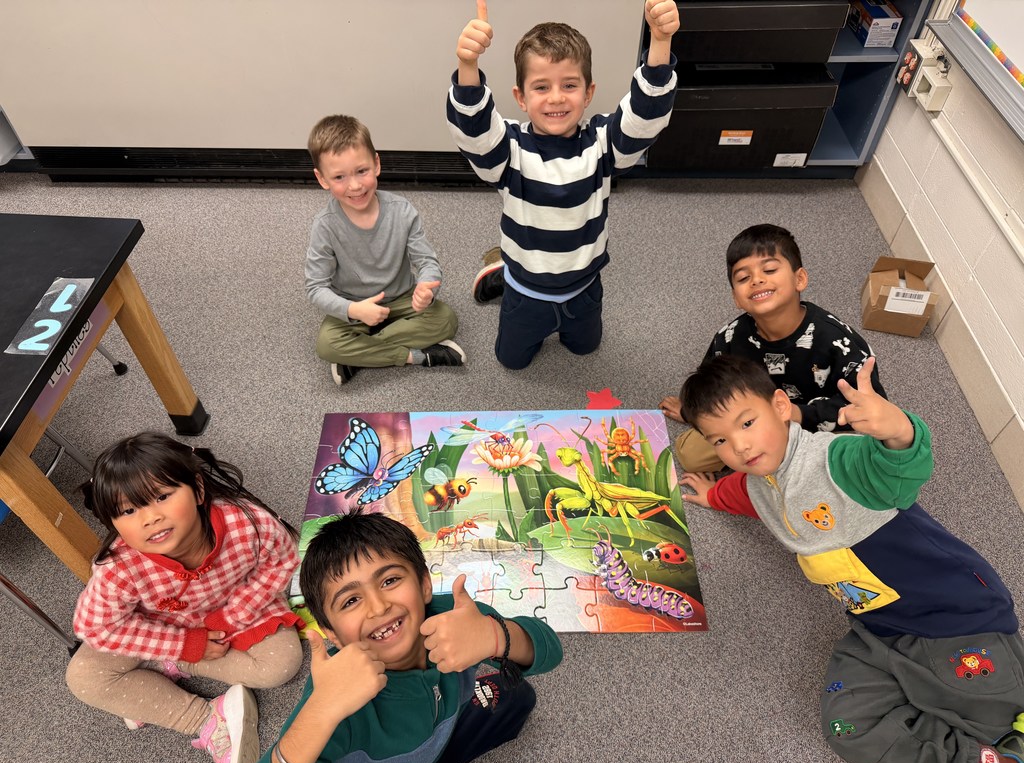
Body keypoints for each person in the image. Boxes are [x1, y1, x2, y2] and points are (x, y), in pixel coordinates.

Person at [678, 354, 1024, 763]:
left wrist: (898, 430)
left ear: (780, 407)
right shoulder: (758, 483)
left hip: (955, 617)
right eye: (719, 440)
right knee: (846, 726)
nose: (739, 446)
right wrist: (711, 495)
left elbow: (898, 469)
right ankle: (976, 754)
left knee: (995, 713)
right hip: (876, 631)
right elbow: (745, 493)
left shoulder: (837, 460)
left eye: (747, 423)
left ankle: (1000, 750)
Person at [447, 0, 680, 369]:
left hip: (584, 288)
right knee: (511, 362)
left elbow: (644, 120)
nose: (556, 97)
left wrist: (660, 41)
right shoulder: (511, 149)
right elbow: (473, 135)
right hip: (525, 290)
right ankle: (500, 273)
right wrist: (468, 66)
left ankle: (501, 269)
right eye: (541, 87)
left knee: (586, 350)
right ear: (521, 98)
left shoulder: (603, 143)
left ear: (588, 93)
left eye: (569, 85)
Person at [66, 432, 304, 763]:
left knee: (280, 666)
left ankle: (160, 670)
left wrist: (234, 615)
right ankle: (206, 718)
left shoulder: (246, 522)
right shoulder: (120, 566)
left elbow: (281, 559)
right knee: (84, 678)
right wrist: (184, 645)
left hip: (233, 605)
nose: (149, 518)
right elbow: (97, 627)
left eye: (161, 496)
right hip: (159, 627)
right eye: (128, 511)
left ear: (198, 489)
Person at [259, 512, 563, 763]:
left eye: (390, 581)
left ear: (425, 585)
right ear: (333, 635)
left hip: (440, 739)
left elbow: (550, 651)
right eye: (350, 601)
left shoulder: (452, 615)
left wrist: (496, 636)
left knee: (519, 696)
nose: (378, 607)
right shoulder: (335, 699)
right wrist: (322, 710)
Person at [659, 223, 886, 474]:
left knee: (855, 458)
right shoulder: (731, 336)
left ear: (799, 279)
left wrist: (797, 415)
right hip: (751, 423)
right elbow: (711, 383)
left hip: (813, 426)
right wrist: (697, 414)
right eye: (744, 278)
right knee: (691, 454)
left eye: (769, 269)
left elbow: (871, 407)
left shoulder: (837, 341)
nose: (757, 280)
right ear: (736, 297)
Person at [305, 114, 466, 386]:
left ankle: (359, 355)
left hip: (401, 298)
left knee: (446, 319)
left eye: (361, 171)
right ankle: (413, 356)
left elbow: (427, 261)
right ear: (322, 179)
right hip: (354, 305)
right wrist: (354, 310)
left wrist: (427, 287)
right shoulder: (325, 226)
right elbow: (315, 288)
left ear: (376, 164)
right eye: (339, 177)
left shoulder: (402, 211)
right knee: (326, 344)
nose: (355, 185)